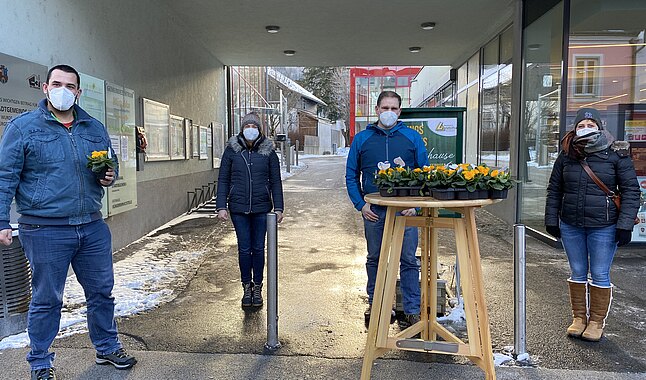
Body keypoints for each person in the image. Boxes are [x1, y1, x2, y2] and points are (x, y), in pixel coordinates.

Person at [0, 65, 137, 380]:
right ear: (46, 88)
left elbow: (108, 162)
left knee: (102, 292)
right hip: (45, 229)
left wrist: (109, 174)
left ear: (78, 92)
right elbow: (5, 177)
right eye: (57, 83)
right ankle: (40, 363)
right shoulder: (23, 128)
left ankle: (106, 347)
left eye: (70, 85)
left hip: (91, 226)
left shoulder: (93, 127)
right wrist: (1, 219)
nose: (63, 90)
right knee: (48, 299)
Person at [545, 107, 640, 342]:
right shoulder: (567, 155)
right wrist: (551, 219)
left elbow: (631, 191)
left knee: (599, 273)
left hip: (604, 226)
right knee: (577, 272)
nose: (585, 129)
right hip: (571, 224)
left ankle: (596, 321)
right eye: (581, 126)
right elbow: (554, 189)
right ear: (575, 129)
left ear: (599, 126)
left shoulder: (617, 155)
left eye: (590, 125)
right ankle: (579, 318)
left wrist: (625, 224)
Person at [345, 90, 429, 326]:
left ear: (399, 111)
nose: (389, 112)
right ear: (377, 110)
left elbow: (425, 175)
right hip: (374, 213)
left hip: (405, 212)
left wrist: (417, 207)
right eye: (385, 108)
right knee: (375, 258)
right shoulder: (362, 140)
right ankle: (377, 303)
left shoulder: (412, 139)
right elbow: (351, 175)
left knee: (409, 260)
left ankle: (411, 309)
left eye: (394, 108)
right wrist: (361, 204)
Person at [216, 112, 284, 308]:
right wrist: (221, 205)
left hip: (262, 208)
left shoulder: (268, 151)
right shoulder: (232, 150)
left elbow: (276, 181)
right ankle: (247, 286)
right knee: (244, 249)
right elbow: (223, 179)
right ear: (242, 129)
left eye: (254, 126)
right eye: (248, 126)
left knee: (258, 249)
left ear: (259, 129)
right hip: (238, 208)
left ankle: (258, 287)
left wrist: (278, 207)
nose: (251, 129)